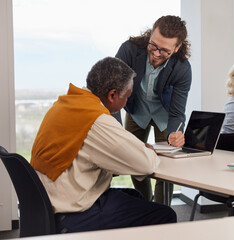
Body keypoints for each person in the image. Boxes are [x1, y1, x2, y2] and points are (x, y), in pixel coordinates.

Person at [30, 57, 177, 234]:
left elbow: (80, 152)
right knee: (165, 214)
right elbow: (146, 164)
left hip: (45, 206)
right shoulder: (96, 119)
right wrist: (147, 151)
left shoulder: (66, 104)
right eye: (127, 96)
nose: (127, 103)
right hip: (73, 214)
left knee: (136, 197)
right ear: (112, 95)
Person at [114, 15, 192, 203]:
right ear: (150, 35)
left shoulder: (182, 69)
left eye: (164, 51)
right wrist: (114, 131)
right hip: (136, 110)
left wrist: (176, 134)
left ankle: (161, 212)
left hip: (164, 116)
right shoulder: (129, 50)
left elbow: (176, 112)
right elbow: (112, 91)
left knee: (165, 166)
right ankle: (144, 205)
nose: (156, 54)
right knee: (135, 161)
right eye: (153, 46)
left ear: (177, 48)